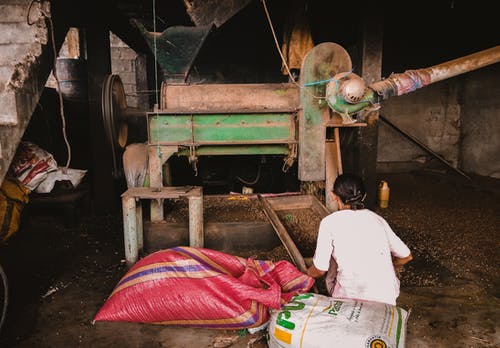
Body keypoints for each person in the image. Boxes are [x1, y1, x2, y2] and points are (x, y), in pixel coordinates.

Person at [306, 173, 413, 305]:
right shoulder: (377, 220)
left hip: (350, 297)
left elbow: (320, 269)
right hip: (387, 297)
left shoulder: (329, 223)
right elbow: (406, 256)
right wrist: (387, 266)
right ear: (364, 196)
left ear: (334, 196)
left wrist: (304, 275)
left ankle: (337, 298)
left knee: (333, 257)